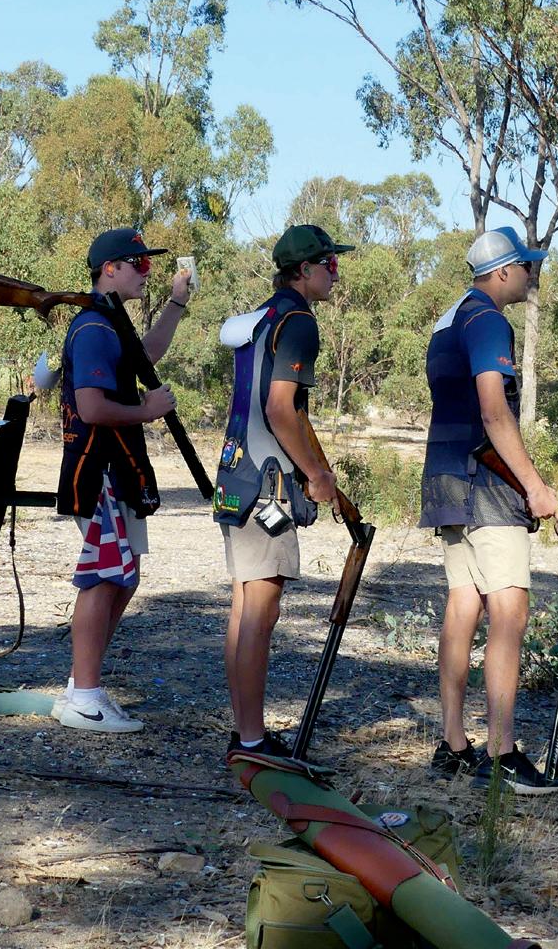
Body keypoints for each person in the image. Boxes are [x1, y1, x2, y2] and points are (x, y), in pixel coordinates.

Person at [420, 226, 558, 794]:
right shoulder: (487, 320)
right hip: (485, 482)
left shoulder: (448, 320)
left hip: (446, 477)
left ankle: (454, 743)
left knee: (464, 602)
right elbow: (494, 411)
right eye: (526, 266)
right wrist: (535, 486)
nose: (532, 274)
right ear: (503, 271)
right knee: (510, 611)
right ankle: (502, 754)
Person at [214, 224, 350, 762]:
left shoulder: (261, 318)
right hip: (267, 485)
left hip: (237, 475)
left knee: (245, 607)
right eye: (329, 265)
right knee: (261, 612)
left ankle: (246, 733)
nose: (335, 274)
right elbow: (279, 409)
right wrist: (316, 475)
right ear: (304, 270)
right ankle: (252, 741)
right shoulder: (298, 322)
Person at [53, 228, 192, 733]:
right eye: (139, 263)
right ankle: (85, 698)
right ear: (109, 268)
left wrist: (177, 303)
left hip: (116, 470)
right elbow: (91, 407)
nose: (145, 272)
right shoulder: (94, 327)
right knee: (104, 577)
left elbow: (144, 355)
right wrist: (146, 410)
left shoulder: (111, 322)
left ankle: (81, 687)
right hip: (99, 471)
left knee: (122, 577)